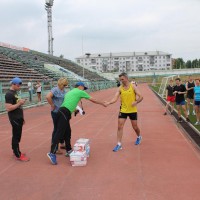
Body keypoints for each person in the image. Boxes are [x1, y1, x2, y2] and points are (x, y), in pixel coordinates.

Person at [47, 81, 107, 165]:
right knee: (59, 132)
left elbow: (68, 103)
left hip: (63, 112)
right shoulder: (80, 91)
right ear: (80, 86)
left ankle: (69, 150)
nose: (84, 90)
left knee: (67, 132)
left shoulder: (70, 92)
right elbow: (93, 99)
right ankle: (52, 153)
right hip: (64, 112)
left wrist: (75, 110)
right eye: (83, 88)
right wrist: (103, 103)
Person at [106, 72, 143, 152]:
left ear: (126, 78)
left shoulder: (133, 86)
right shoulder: (120, 88)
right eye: (120, 80)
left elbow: (141, 97)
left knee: (135, 127)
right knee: (120, 126)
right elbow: (115, 98)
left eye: (122, 79)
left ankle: (139, 136)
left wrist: (136, 102)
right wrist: (109, 102)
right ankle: (119, 144)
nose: (121, 81)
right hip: (123, 110)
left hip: (132, 110)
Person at [5, 77, 30, 161]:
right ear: (14, 84)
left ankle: (15, 150)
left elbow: (17, 105)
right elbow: (8, 108)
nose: (20, 86)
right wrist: (19, 103)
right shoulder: (9, 94)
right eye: (19, 85)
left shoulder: (15, 92)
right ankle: (17, 154)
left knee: (17, 135)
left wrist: (22, 118)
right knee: (16, 136)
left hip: (18, 117)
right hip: (14, 118)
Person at [46, 78, 69, 154]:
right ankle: (55, 148)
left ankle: (62, 144)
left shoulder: (63, 90)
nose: (66, 86)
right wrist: (52, 105)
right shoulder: (55, 89)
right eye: (65, 85)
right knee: (57, 129)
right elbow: (48, 96)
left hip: (62, 112)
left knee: (63, 128)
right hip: (56, 112)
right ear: (62, 84)